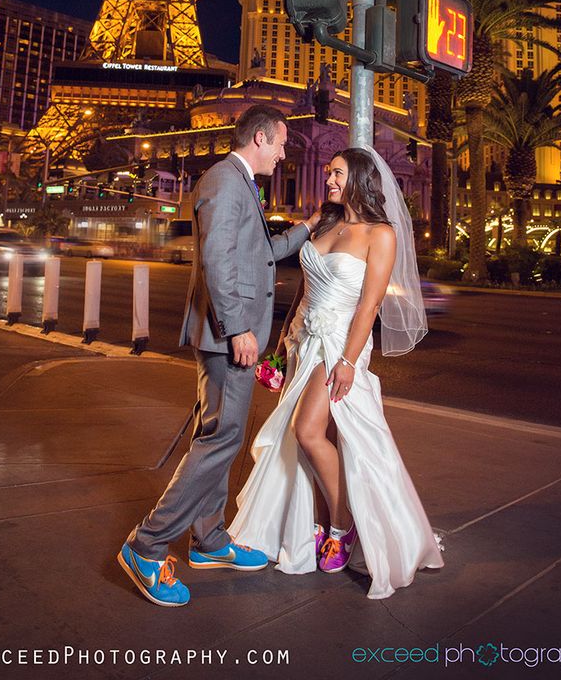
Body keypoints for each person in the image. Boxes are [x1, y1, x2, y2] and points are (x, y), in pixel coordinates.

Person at [118, 104, 319, 607]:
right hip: (229, 335)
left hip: (229, 333)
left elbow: (260, 252)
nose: (282, 151)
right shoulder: (226, 181)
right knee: (221, 438)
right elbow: (217, 260)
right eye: (279, 142)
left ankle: (209, 540)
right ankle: (147, 545)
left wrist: (309, 226)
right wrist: (237, 330)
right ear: (259, 137)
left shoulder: (238, 181)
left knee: (219, 435)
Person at [230, 146, 444, 599]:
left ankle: (342, 525)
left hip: (341, 345)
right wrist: (281, 347)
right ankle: (321, 519)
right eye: (328, 173)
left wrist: (348, 361)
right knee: (303, 436)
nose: (328, 180)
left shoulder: (379, 234)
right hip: (305, 341)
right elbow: (305, 294)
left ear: (361, 179)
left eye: (338, 174)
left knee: (307, 431)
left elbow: (369, 306)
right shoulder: (326, 223)